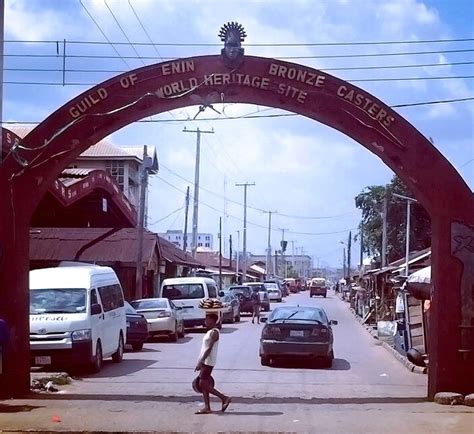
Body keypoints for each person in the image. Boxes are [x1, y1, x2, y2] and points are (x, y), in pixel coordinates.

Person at [194, 313, 231, 414]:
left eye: (207, 319)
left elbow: (209, 348)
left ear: (212, 320)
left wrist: (201, 361)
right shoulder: (209, 332)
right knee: (204, 383)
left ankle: (224, 398)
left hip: (208, 361)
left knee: (202, 383)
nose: (205, 321)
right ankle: (207, 407)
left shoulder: (214, 332)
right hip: (205, 360)